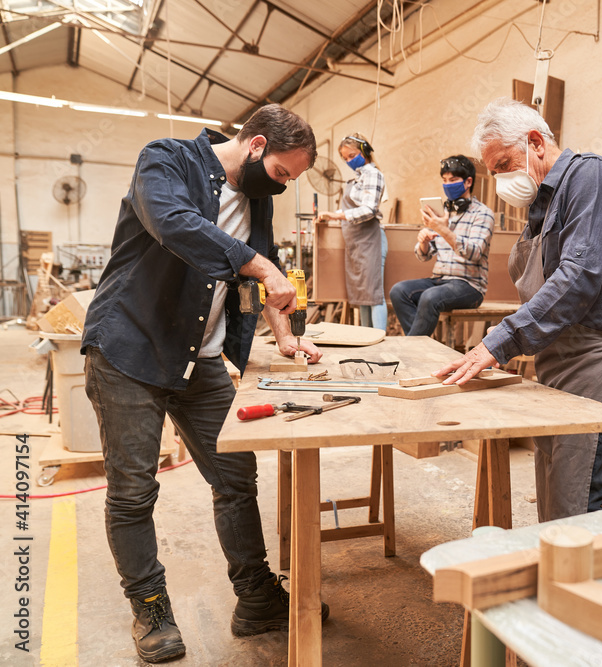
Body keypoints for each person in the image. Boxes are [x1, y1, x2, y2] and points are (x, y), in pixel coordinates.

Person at [82, 104, 327, 663]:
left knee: (236, 476)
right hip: (130, 350)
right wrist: (262, 267)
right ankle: (150, 607)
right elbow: (173, 225)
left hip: (202, 358)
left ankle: (255, 596)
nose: (284, 187)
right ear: (258, 145)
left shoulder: (258, 200)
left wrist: (284, 337)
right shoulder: (166, 160)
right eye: (284, 174)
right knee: (134, 490)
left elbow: (255, 270)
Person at [434, 98, 602, 523]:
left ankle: (577, 581)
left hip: (599, 349)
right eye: (494, 172)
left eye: (505, 163)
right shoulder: (542, 203)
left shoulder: (590, 176)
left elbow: (579, 275)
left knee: (577, 486)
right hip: (560, 350)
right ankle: (553, 568)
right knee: (552, 472)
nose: (501, 179)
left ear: (535, 142)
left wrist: (501, 341)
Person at [389, 155, 495, 336]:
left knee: (429, 297)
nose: (447, 185)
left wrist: (443, 230)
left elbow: (475, 253)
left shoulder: (483, 214)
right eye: (444, 181)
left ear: (468, 182)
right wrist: (423, 242)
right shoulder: (443, 212)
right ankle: (420, 348)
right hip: (440, 279)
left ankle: (413, 353)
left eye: (453, 180)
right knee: (398, 291)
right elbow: (425, 255)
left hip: (469, 285)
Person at [315, 133, 388, 330]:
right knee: (362, 296)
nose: (349, 161)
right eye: (345, 158)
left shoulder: (373, 174)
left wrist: (337, 215)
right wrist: (330, 215)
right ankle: (367, 338)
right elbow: (351, 208)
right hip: (356, 242)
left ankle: (380, 340)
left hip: (370, 239)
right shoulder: (357, 179)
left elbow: (368, 210)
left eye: (352, 155)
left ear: (364, 152)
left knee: (373, 294)